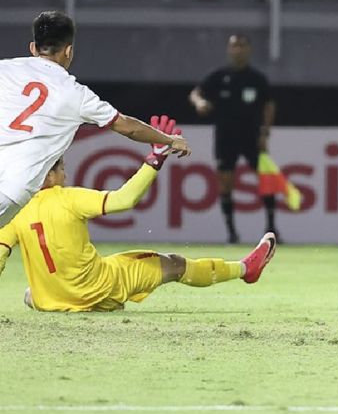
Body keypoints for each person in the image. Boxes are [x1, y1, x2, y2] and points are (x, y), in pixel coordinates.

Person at [0, 116, 276, 312]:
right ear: (48, 175)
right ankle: (245, 269)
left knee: (30, 294)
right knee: (175, 264)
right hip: (100, 289)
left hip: (51, 300)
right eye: (61, 168)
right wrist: (155, 159)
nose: (66, 173)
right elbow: (125, 199)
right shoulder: (68, 198)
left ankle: (48, 297)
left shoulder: (14, 209)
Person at [0, 11, 191, 229]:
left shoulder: (4, 70)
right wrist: (169, 139)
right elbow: (127, 127)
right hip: (12, 188)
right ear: (69, 51)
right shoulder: (76, 94)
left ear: (33, 47)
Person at [189, 34, 277, 243]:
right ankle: (231, 233)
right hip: (225, 137)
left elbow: (269, 105)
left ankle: (272, 228)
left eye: (242, 46)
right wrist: (199, 102)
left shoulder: (257, 79)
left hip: (252, 137)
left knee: (267, 180)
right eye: (234, 46)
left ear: (248, 50)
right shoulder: (219, 76)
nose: (238, 50)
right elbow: (195, 93)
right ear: (229, 49)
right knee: (225, 182)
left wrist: (265, 133)